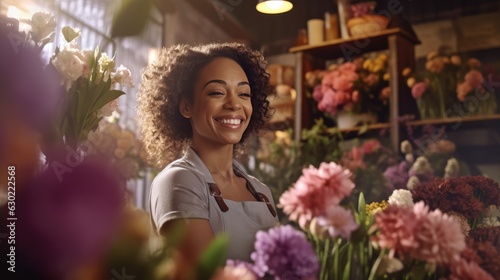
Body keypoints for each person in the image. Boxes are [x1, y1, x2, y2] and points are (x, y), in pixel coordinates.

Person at [137, 43, 279, 269]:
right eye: (217, 92)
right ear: (185, 106)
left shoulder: (262, 192)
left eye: (244, 94)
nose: (234, 104)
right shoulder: (177, 182)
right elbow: (206, 274)